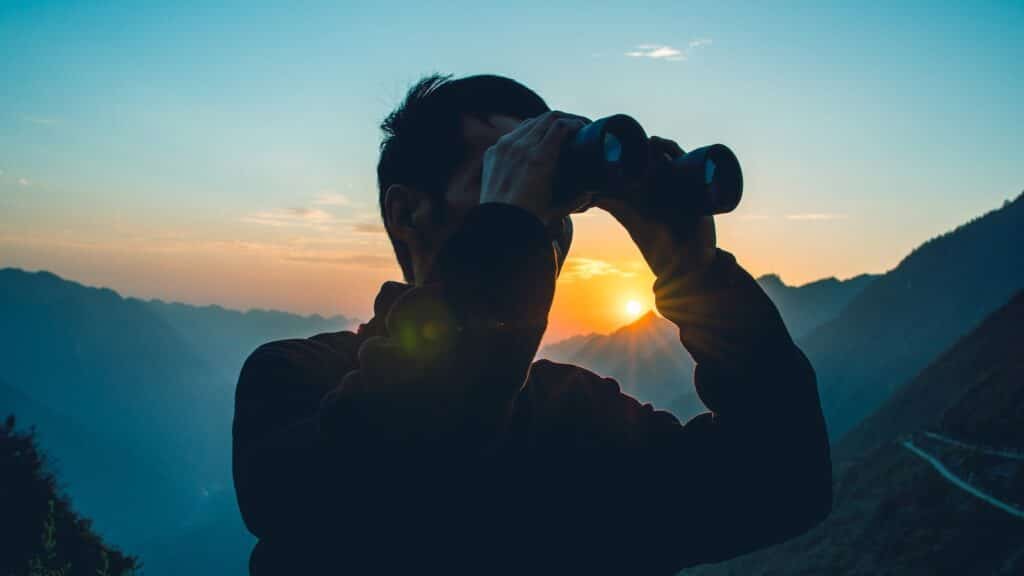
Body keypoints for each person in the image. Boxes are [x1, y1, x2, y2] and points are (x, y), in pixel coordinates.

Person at [232, 74, 832, 575]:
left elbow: (783, 483)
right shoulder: (293, 380)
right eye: (504, 178)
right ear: (408, 210)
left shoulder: (578, 415)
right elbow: (404, 470)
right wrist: (507, 232)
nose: (542, 212)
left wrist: (696, 274)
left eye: (553, 191)